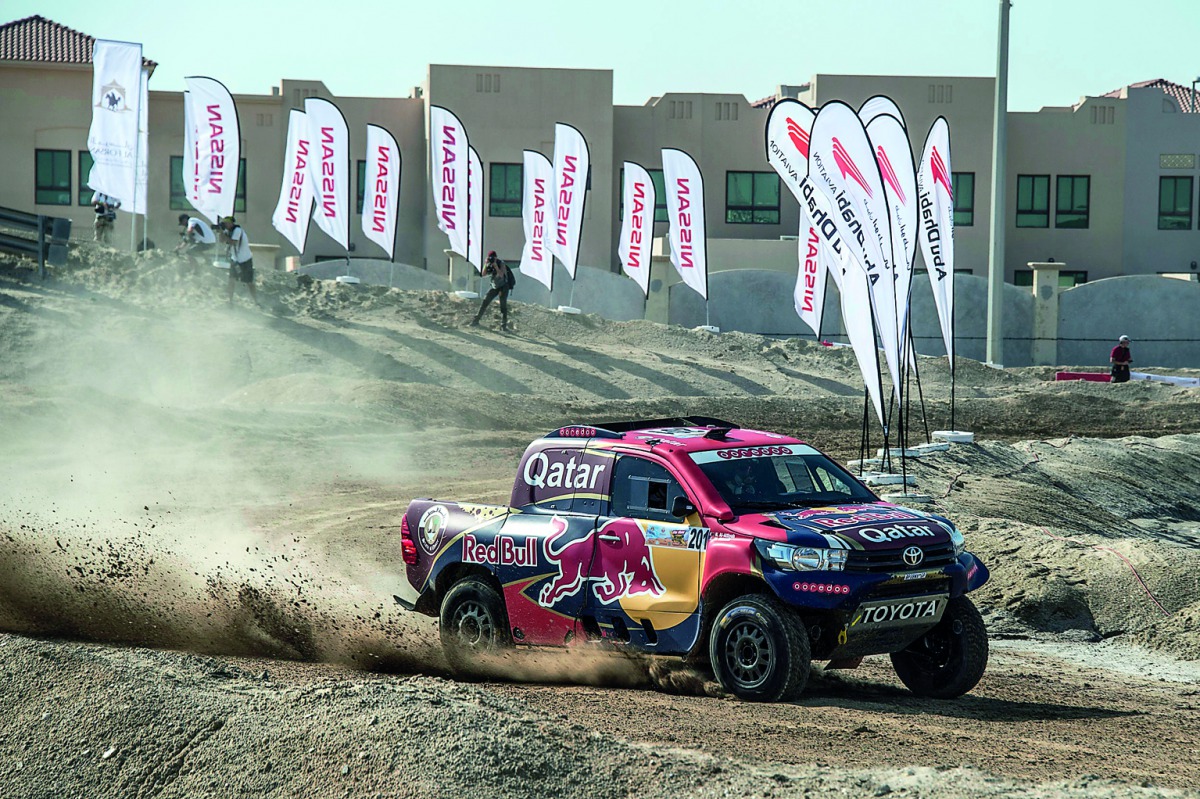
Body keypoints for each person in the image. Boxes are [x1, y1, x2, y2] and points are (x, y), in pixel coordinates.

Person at [218, 216, 258, 306]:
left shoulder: (237, 230)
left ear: (231, 223)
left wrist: (224, 234)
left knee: (249, 282)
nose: (225, 225)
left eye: (226, 223)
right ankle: (230, 301)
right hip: (235, 259)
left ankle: (256, 301)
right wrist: (221, 232)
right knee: (231, 280)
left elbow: (233, 242)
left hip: (245, 259)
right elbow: (221, 241)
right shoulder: (227, 231)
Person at [471, 251, 512, 330]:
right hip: (494, 286)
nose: (492, 259)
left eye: (493, 257)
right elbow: (483, 274)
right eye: (490, 258)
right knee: (485, 301)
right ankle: (476, 320)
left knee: (503, 305)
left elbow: (501, 275)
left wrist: (496, 266)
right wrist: (486, 264)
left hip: (503, 286)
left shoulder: (501, 263)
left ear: (496, 257)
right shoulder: (489, 263)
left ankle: (503, 325)